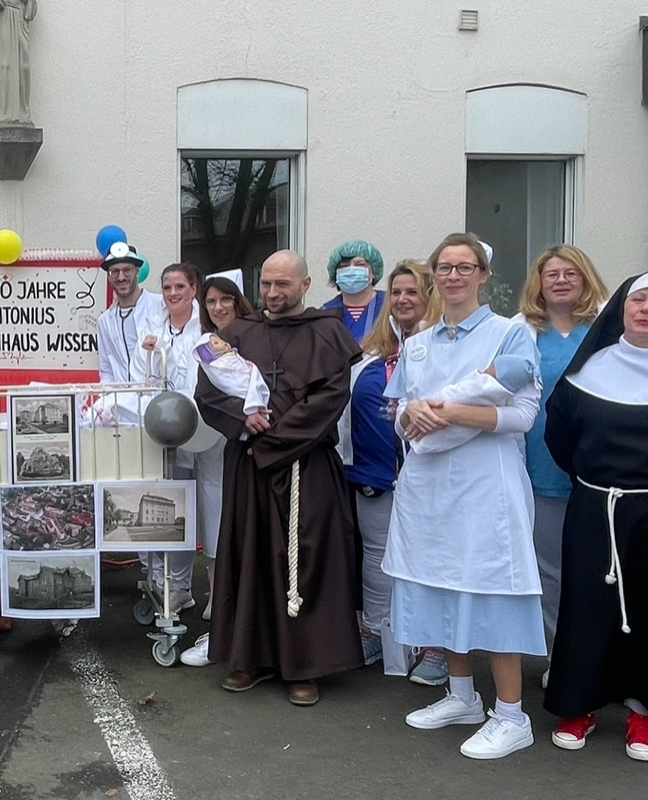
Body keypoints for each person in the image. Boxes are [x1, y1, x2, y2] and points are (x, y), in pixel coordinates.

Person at [382, 232, 544, 760]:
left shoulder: (510, 334)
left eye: (465, 266)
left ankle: (512, 715)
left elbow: (520, 416)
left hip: (486, 487)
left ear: (483, 275)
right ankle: (462, 696)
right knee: (440, 586)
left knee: (492, 591)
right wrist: (416, 415)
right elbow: (400, 415)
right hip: (428, 487)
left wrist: (443, 413)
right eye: (445, 267)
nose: (454, 276)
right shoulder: (418, 342)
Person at [543, 269, 648, 762]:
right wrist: (597, 484)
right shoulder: (590, 369)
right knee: (587, 607)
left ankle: (646, 714)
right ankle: (580, 704)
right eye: (638, 300)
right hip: (600, 507)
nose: (646, 309)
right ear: (622, 307)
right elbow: (562, 437)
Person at [193, 250, 364, 707]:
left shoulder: (328, 332)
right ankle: (250, 657)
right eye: (266, 284)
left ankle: (304, 666)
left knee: (304, 561)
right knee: (251, 557)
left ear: (305, 285)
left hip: (306, 465)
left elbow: (331, 398)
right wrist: (242, 420)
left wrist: (273, 440)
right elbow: (206, 392)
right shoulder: (237, 333)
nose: (272, 293)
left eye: (282, 284)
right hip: (250, 466)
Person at [335, 260, 442, 681]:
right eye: (396, 293)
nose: (402, 300)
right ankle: (374, 630)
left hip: (429, 478)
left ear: (430, 298)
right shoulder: (371, 356)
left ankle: (436, 646)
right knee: (377, 560)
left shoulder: (444, 350)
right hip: (373, 477)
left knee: (431, 561)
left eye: (412, 292)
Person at [512, 245, 609, 680]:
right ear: (539, 283)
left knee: (600, 569)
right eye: (552, 274)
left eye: (571, 272)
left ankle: (603, 658)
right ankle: (563, 657)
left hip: (600, 471)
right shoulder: (520, 331)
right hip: (542, 469)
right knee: (550, 572)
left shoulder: (608, 329)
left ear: (586, 278)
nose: (561, 280)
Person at [133, 263, 219, 616]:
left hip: (207, 429)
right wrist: (148, 353)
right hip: (167, 429)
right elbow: (140, 379)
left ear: (194, 289)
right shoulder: (152, 330)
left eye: (180, 286)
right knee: (174, 507)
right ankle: (175, 587)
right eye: (167, 287)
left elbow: (219, 374)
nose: (172, 293)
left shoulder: (208, 328)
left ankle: (219, 590)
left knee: (214, 506)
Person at [180, 273, 255, 667]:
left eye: (226, 299)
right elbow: (206, 398)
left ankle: (253, 629)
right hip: (222, 451)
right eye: (211, 302)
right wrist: (242, 421)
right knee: (221, 530)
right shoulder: (205, 349)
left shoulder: (262, 337)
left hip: (263, 453)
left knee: (255, 538)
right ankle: (224, 622)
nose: (219, 307)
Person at [96, 243, 165, 383]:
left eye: (127, 270)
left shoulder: (161, 305)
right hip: (120, 400)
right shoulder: (105, 321)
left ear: (137, 272)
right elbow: (106, 368)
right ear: (109, 277)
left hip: (156, 398)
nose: (121, 277)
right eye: (114, 271)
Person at [322, 240, 387, 343]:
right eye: (344, 266)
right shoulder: (326, 313)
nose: (351, 270)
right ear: (336, 275)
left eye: (360, 264)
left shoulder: (389, 305)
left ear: (373, 272)